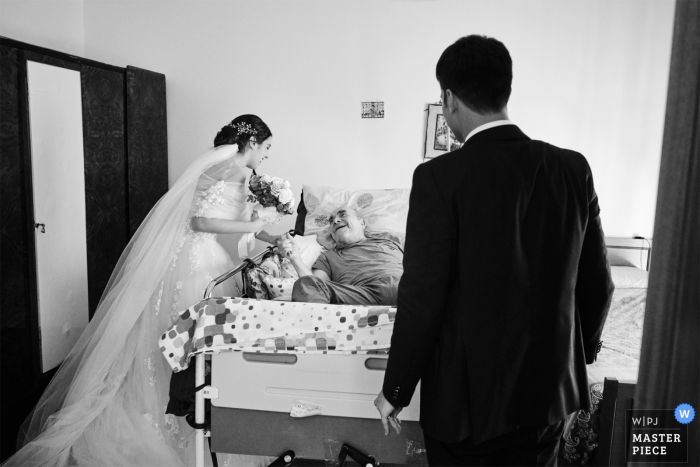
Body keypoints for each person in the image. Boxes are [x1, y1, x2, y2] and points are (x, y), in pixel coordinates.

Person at [374, 35, 614, 466]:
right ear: (506, 89)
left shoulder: (438, 178)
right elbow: (599, 283)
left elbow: (421, 297)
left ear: (449, 99)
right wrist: (582, 351)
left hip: (465, 407)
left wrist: (396, 389)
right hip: (547, 397)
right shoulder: (572, 168)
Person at [5, 115, 280, 467]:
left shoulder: (234, 171)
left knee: (181, 339)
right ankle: (181, 420)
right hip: (197, 259)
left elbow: (230, 218)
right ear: (253, 142)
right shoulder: (236, 171)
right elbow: (199, 221)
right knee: (188, 341)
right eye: (267, 146)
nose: (267, 154)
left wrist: (269, 234)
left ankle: (192, 411)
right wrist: (255, 222)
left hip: (198, 255)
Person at [278, 205, 404, 306]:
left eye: (343, 215)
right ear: (332, 234)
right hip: (363, 295)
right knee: (305, 283)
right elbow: (315, 286)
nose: (335, 221)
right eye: (331, 221)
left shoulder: (390, 239)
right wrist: (295, 258)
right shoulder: (327, 257)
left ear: (362, 223)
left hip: (405, 287)